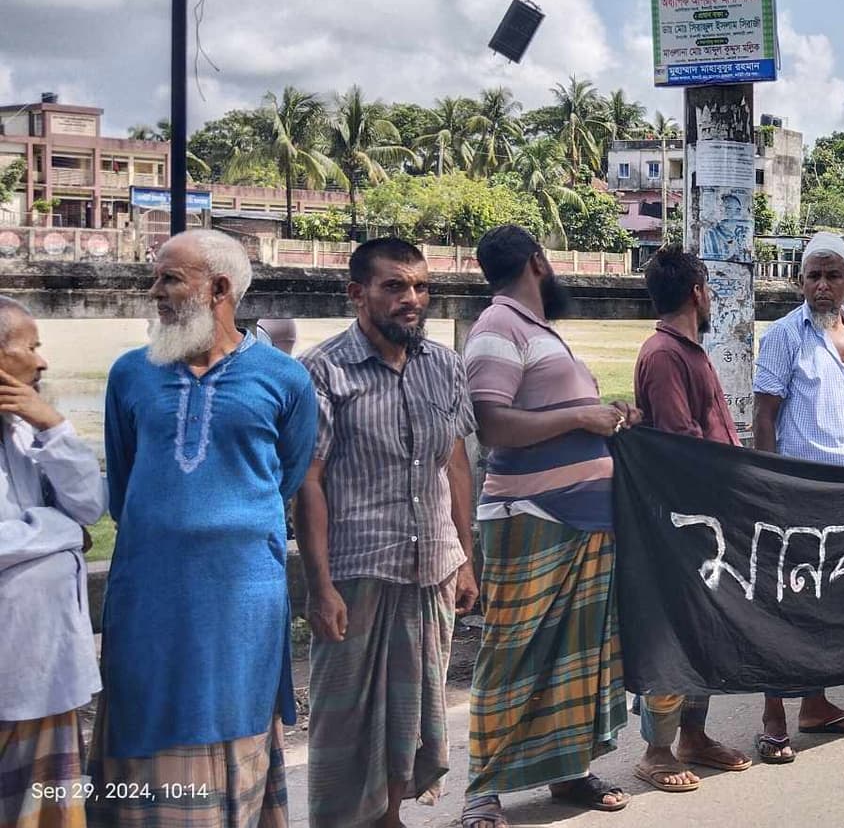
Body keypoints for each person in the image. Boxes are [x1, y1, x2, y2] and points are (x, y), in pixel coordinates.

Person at [95, 230, 319, 828]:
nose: (155, 293)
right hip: (149, 592)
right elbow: (125, 485)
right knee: (145, 706)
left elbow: (284, 480)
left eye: (169, 279)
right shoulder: (130, 375)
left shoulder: (286, 380)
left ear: (219, 289)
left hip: (242, 599)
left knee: (237, 714)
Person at [295, 239, 479, 826]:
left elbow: (454, 464)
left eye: (421, 287)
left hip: (432, 567)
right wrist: (319, 585)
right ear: (358, 294)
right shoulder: (324, 371)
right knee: (344, 717)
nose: (412, 299)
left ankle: (390, 817)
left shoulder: (443, 365)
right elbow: (310, 482)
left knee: (415, 710)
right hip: (358, 570)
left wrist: (466, 557)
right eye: (395, 286)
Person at [461, 225, 637, 825]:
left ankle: (568, 770)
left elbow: (556, 414)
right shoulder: (499, 326)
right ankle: (481, 789)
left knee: (576, 653)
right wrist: (582, 416)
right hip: (532, 515)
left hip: (584, 519)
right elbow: (492, 426)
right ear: (539, 262)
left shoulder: (538, 332)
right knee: (512, 651)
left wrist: (605, 418)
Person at [627, 247, 757, 782]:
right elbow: (682, 443)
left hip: (708, 519)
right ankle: (657, 751)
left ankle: (695, 735)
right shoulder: (664, 355)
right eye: (708, 290)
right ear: (698, 293)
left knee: (704, 630)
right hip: (682, 522)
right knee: (674, 635)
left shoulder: (690, 352)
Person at [752, 232, 844, 738]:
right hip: (801, 489)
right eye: (813, 276)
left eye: (832, 276)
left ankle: (816, 704)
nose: (822, 286)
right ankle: (773, 716)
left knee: (834, 600)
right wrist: (768, 487)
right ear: (800, 281)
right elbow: (765, 417)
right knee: (788, 601)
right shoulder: (784, 335)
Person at [0, 297, 105, 828]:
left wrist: (54, 427)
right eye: (31, 346)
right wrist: (63, 533)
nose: (42, 361)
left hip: (45, 666)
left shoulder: (25, 429)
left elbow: (90, 505)